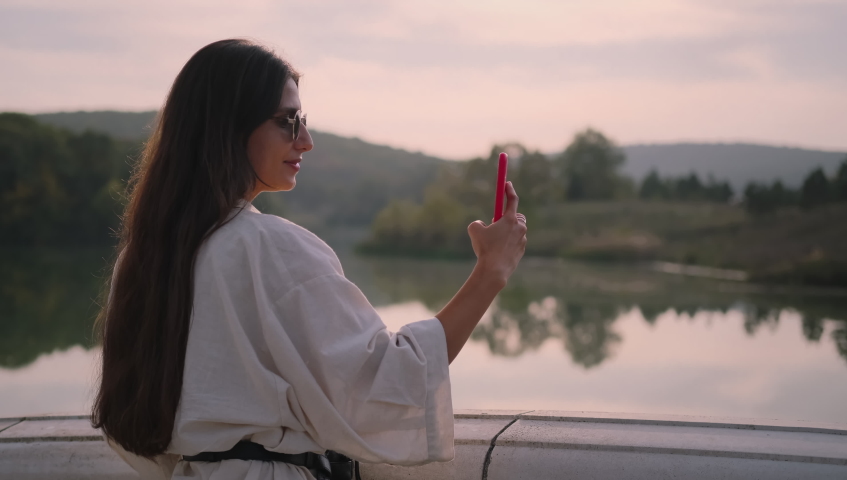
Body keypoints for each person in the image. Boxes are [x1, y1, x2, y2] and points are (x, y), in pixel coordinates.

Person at [93, 38, 527, 480]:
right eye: (288, 121)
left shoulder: (142, 258)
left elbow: (134, 421)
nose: (307, 141)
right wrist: (491, 271)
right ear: (227, 126)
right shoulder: (270, 246)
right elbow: (388, 381)